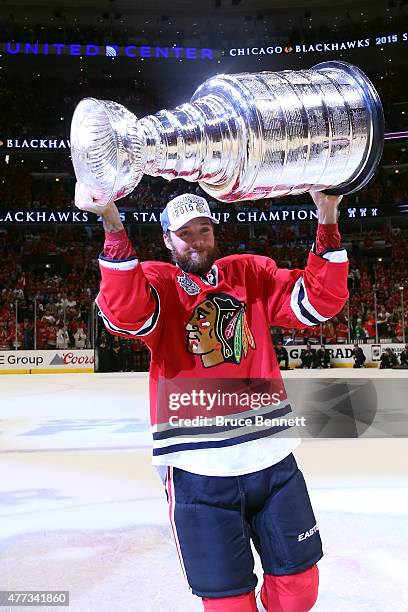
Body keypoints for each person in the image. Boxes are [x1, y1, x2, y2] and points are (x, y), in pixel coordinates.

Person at [75, 182, 349, 612]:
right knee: (229, 605)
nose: (197, 240)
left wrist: (327, 217)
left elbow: (320, 301)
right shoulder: (158, 283)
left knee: (300, 589)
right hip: (197, 470)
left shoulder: (249, 273)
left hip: (271, 457)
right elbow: (126, 312)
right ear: (167, 239)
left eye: (204, 229)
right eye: (185, 233)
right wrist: (112, 222)